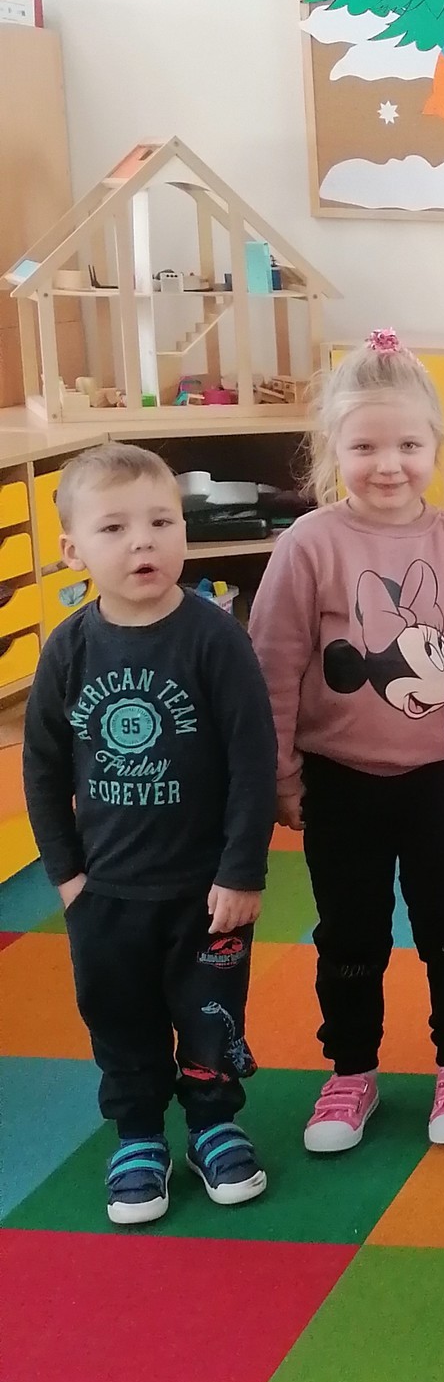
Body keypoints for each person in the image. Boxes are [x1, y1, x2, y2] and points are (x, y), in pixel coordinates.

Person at [249, 332, 444, 1155]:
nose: (388, 465)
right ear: (333, 448)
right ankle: (351, 1069)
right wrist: (281, 775)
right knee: (349, 933)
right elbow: (274, 665)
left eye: (407, 446)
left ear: (435, 446)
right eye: (364, 447)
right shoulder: (308, 544)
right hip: (340, 780)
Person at [22, 443, 276, 1223]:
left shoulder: (214, 638)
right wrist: (68, 877)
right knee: (119, 1017)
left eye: (162, 522)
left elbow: (252, 758)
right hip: (105, 894)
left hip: (206, 893)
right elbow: (42, 770)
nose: (143, 542)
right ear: (72, 549)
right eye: (115, 528)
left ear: (184, 532)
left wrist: (242, 871)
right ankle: (137, 1133)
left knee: (210, 1015)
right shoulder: (69, 649)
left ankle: (212, 1124)